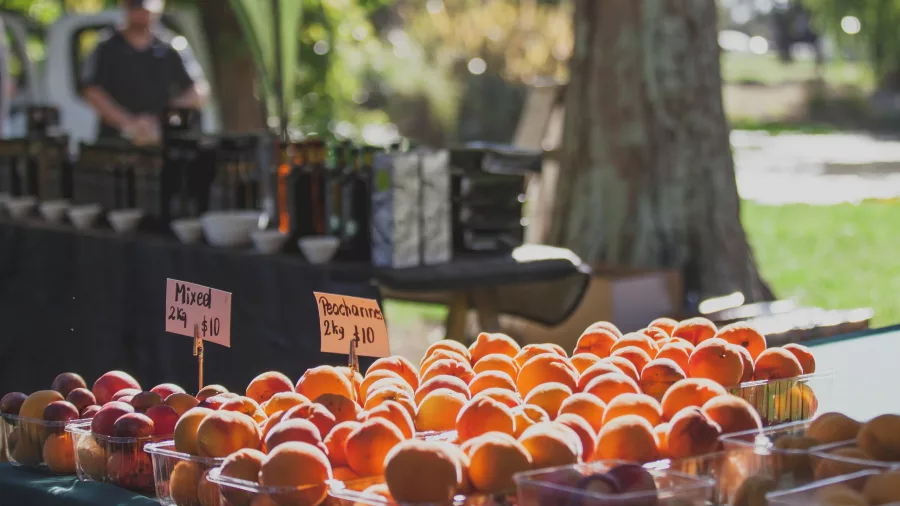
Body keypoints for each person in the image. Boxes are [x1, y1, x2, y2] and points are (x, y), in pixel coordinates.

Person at [82, 0, 209, 144]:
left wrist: (160, 120)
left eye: (146, 11)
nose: (142, 16)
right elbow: (92, 92)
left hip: (162, 139)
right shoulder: (106, 48)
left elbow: (199, 92)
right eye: (136, 9)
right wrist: (130, 124)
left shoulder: (173, 47)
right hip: (117, 140)